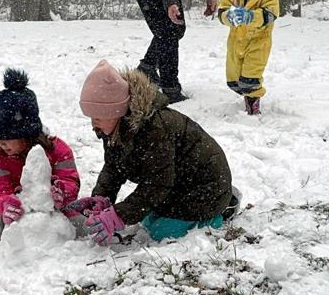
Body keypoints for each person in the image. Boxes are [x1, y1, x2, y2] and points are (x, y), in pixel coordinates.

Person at [68, 60, 237, 245]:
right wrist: (102, 197)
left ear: (116, 111)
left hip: (204, 187)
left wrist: (119, 215)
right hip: (176, 185)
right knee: (147, 220)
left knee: (160, 232)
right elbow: (113, 168)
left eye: (98, 116)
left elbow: (157, 184)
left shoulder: (155, 129)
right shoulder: (116, 127)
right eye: (91, 117)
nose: (94, 123)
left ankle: (223, 208)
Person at [0, 69, 81, 246]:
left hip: (53, 212)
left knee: (77, 226)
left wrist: (62, 193)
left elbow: (71, 180)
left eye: (7, 139)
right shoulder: (1, 159)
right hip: (18, 214)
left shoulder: (58, 149)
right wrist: (5, 203)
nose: (1, 144)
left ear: (26, 134)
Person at [217, 0, 280, 115]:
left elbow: (271, 14)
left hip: (258, 44)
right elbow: (222, 10)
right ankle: (245, 93)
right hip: (236, 43)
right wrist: (228, 17)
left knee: (250, 78)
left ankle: (253, 105)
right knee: (233, 80)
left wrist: (251, 16)